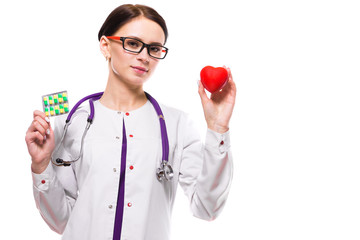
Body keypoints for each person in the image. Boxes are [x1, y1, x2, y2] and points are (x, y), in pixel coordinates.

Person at [25, 4, 236, 240]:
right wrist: (41, 165)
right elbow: (61, 221)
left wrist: (218, 128)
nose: (144, 57)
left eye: (154, 48)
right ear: (106, 46)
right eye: (133, 44)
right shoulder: (70, 121)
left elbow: (207, 209)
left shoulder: (178, 124)